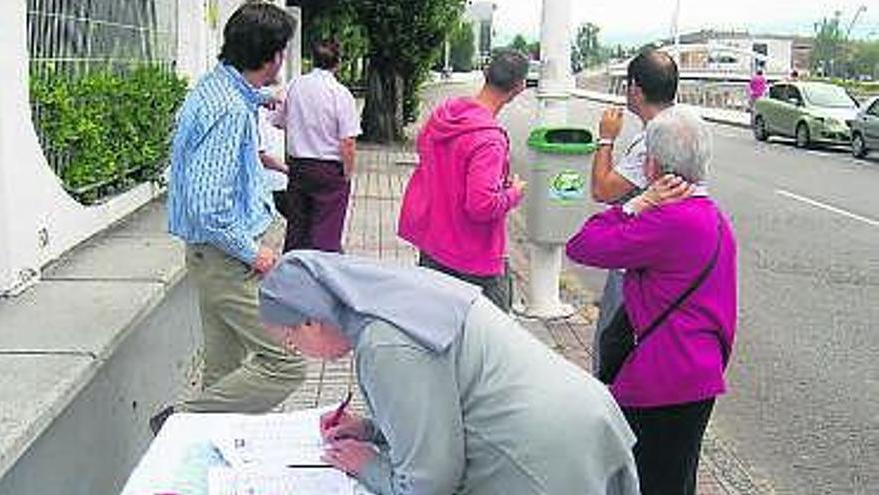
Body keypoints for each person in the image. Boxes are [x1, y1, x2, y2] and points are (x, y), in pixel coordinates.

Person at [259, 251, 640, 495]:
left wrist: (368, 465)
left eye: (290, 341)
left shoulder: (383, 343)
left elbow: (430, 482)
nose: (296, 351)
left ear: (310, 322)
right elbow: (450, 393)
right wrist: (374, 429)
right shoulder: (394, 296)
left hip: (542, 457)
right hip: (581, 417)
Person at [566, 107, 737, 495]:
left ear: (653, 165)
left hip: (661, 380)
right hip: (699, 374)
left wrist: (635, 205)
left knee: (647, 482)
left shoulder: (666, 221)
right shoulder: (713, 217)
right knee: (676, 481)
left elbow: (583, 244)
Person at [158, 2, 305, 429]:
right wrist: (253, 252)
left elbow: (238, 96)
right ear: (273, 55)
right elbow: (209, 206)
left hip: (209, 257)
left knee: (223, 371)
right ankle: (179, 423)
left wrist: (267, 97)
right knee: (285, 364)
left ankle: (201, 462)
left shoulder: (216, 88)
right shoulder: (229, 112)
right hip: (227, 259)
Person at [397, 49, 528, 313]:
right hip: (475, 259)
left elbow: (424, 152)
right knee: (491, 342)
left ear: (485, 74)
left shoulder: (443, 115)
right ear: (519, 87)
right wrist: (513, 193)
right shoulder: (489, 140)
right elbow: (480, 205)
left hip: (434, 246)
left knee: (434, 330)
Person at [589, 49, 678, 374]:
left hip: (634, 266)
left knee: (612, 350)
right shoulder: (682, 128)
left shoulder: (651, 142)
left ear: (636, 89)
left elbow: (602, 190)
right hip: (668, 262)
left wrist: (605, 139)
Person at [272, 39, 361, 253]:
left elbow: (278, 120)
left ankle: (293, 274)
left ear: (312, 59)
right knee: (326, 234)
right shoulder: (340, 93)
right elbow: (347, 141)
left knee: (297, 228)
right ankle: (320, 276)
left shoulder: (295, 86)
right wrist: (347, 173)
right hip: (329, 170)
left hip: (298, 166)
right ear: (338, 63)